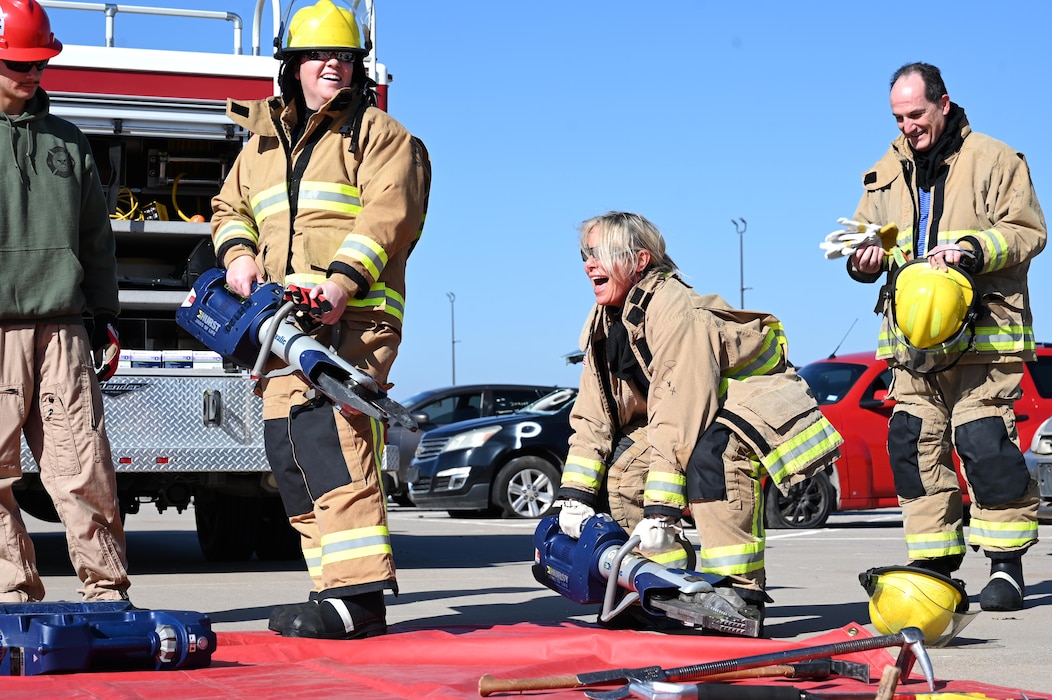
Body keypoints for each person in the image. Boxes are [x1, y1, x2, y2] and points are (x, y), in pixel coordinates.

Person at [211, 0, 430, 640]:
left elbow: (388, 218)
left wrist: (340, 283)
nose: (332, 65)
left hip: (353, 322)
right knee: (292, 453)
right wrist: (239, 254)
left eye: (343, 56)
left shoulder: (382, 137)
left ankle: (359, 601)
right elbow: (230, 206)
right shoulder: (261, 145)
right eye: (317, 56)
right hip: (281, 326)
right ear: (293, 69)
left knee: (334, 444)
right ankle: (330, 589)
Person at [556, 212, 842, 629]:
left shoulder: (677, 310)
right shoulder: (606, 323)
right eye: (586, 254)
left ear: (639, 260)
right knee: (621, 469)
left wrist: (661, 513)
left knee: (714, 457)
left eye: (601, 254)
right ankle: (661, 590)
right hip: (699, 405)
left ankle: (740, 598)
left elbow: (679, 411)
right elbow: (593, 413)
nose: (588, 264)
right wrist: (574, 497)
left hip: (755, 401)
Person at [843, 62, 1045, 612]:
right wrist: (862, 260)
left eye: (916, 114)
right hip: (913, 346)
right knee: (912, 443)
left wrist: (974, 249)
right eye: (898, 117)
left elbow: (1028, 231)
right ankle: (934, 565)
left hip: (984, 338)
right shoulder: (883, 174)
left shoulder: (996, 160)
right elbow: (869, 244)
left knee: (983, 444)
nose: (907, 126)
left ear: (944, 104)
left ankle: (1005, 566)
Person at [0, 0, 130, 603]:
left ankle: (108, 594)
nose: (32, 75)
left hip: (63, 331)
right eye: (17, 63)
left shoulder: (68, 143)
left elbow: (95, 240)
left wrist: (104, 313)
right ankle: (11, 596)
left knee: (83, 469)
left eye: (39, 63)